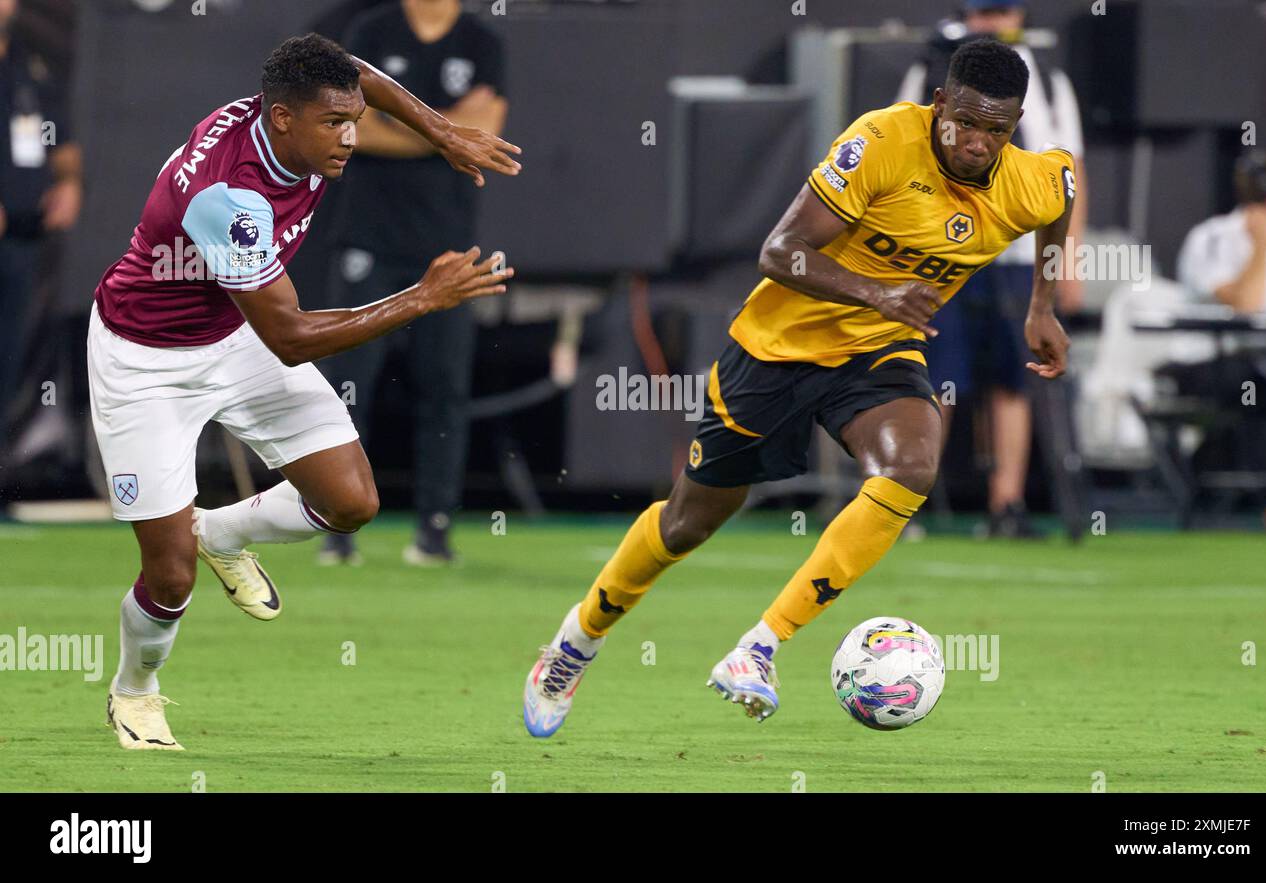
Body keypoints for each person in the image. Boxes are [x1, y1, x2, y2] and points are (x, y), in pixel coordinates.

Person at [522, 38, 1075, 736]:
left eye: (996, 130)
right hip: (776, 350)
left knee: (911, 463)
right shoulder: (878, 142)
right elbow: (779, 251)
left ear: (1015, 125)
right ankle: (575, 642)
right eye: (964, 122)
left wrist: (1042, 304)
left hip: (877, 351)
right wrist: (877, 290)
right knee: (688, 522)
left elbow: (1065, 192)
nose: (976, 142)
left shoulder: (1028, 179)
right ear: (939, 104)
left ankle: (759, 646)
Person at [89, 33, 520, 751]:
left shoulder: (295, 110)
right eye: (334, 124)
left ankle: (220, 532)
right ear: (283, 119)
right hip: (147, 361)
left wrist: (442, 133)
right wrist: (420, 297)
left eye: (351, 120)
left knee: (351, 502)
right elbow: (289, 335)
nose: (351, 137)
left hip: (234, 333)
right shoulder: (228, 196)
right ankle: (135, 689)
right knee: (169, 576)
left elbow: (358, 76)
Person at [320, 0, 508, 567]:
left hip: (447, 243)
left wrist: (396, 124)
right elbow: (349, 130)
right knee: (349, 386)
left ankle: (434, 529)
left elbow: (487, 130)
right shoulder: (369, 33)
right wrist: (446, 131)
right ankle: (337, 524)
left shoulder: (481, 41)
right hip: (368, 237)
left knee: (444, 387)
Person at [897, 0, 1087, 537]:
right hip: (942, 251)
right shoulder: (931, 67)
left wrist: (1067, 262)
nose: (991, 22)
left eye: (1000, 11)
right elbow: (901, 157)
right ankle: (907, 502)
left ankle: (1007, 504)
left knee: (1015, 378)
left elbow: (1069, 175)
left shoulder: (1046, 78)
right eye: (982, 12)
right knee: (935, 375)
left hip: (1018, 252)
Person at [1176, 153, 1266, 528]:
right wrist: (1261, 246)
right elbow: (1247, 306)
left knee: (1262, 380)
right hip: (1199, 363)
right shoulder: (1213, 237)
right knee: (1253, 383)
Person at [0, 0, 81, 470]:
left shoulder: (29, 68)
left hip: (23, 240)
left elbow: (61, 141)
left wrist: (69, 182)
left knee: (8, 359)